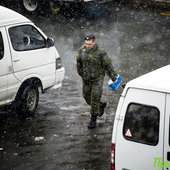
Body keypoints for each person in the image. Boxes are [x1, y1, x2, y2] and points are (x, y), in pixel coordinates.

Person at [76, 35, 118, 129]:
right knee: (86, 97)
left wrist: (113, 77)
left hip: (97, 78)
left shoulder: (101, 52)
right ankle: (100, 105)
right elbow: (79, 63)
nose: (87, 46)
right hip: (86, 78)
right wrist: (81, 74)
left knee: (95, 97)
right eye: (86, 44)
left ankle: (93, 119)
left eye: (90, 44)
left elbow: (108, 65)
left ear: (94, 42)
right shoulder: (82, 50)